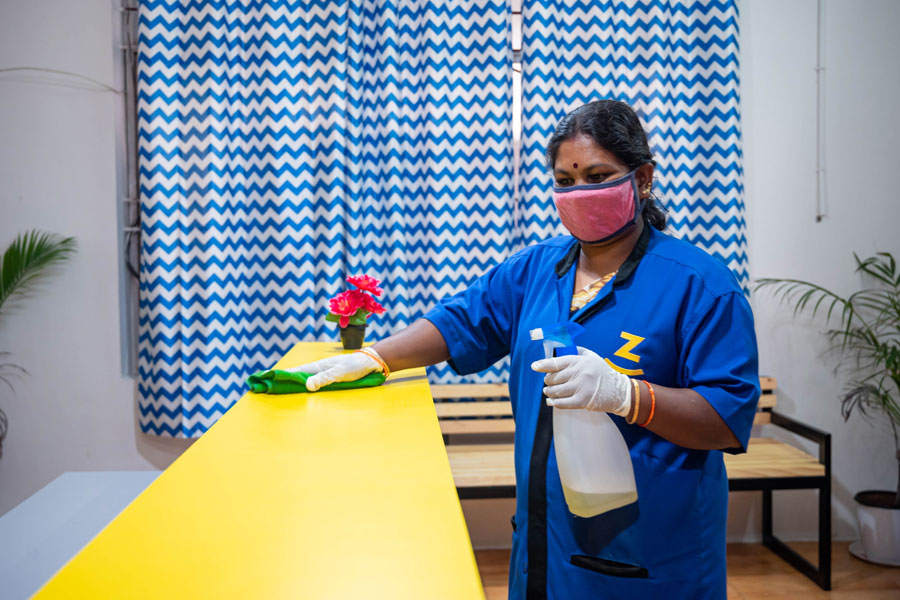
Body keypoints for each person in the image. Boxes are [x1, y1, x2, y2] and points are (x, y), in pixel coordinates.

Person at [291, 99, 760, 599]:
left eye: (598, 176)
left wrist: (627, 395)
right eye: (565, 180)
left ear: (642, 178)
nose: (579, 192)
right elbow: (460, 321)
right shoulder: (535, 270)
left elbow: (726, 417)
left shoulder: (699, 285)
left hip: (648, 552)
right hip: (545, 538)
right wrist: (375, 357)